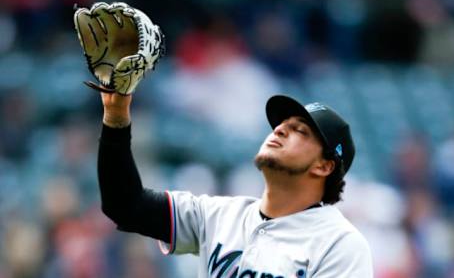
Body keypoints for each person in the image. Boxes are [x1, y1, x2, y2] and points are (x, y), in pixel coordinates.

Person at [98, 92, 373, 278]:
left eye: (300, 130)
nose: (280, 129)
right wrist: (116, 116)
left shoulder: (339, 243)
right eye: (281, 124)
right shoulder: (218, 214)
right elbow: (125, 206)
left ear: (324, 166)